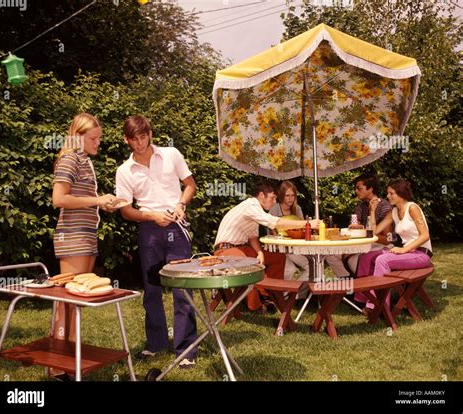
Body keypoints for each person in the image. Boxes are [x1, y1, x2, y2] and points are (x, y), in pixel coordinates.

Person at [115, 115, 198, 369]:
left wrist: (181, 204)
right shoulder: (124, 171)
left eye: (143, 136)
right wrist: (151, 215)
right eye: (134, 139)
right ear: (126, 140)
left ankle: (186, 350)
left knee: (182, 287)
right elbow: (125, 210)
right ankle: (156, 343)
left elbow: (190, 185)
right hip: (149, 229)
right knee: (151, 289)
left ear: (150, 133)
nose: (139, 143)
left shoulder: (171, 154)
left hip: (176, 226)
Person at [52, 113, 119, 378]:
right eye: (94, 138)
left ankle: (69, 361)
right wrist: (97, 200)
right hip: (73, 236)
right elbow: (59, 199)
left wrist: (104, 203)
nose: (98, 142)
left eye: (99, 138)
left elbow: (85, 199)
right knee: (66, 300)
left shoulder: (83, 161)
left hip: (86, 234)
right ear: (78, 137)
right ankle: (57, 365)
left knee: (77, 299)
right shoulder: (69, 159)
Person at [214, 181, 319, 311]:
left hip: (241, 248)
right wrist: (307, 224)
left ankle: (272, 295)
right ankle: (255, 305)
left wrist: (260, 252)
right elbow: (274, 222)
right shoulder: (250, 206)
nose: (275, 202)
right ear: (261, 195)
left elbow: (252, 237)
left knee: (278, 258)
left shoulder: (255, 209)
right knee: (250, 266)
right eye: (272, 198)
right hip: (225, 250)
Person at [355, 179, 433, 312]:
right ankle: (362, 299)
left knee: (382, 260)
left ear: (401, 194)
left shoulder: (412, 208)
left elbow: (425, 235)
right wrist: (372, 211)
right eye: (387, 193)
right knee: (366, 257)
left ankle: (379, 305)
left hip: (421, 254)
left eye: (391, 193)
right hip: (408, 253)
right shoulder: (395, 212)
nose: (388, 196)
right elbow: (374, 231)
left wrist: (403, 250)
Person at [341, 173, 394, 276]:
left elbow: (387, 240)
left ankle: (364, 285)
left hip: (382, 245)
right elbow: (356, 228)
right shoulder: (361, 207)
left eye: (359, 188)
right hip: (366, 244)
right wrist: (357, 228)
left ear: (370, 189)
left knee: (353, 258)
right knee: (336, 255)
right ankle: (351, 283)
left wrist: (364, 232)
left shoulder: (384, 207)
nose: (356, 191)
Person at [269, 181, 311, 298]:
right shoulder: (275, 209)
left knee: (312, 267)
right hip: (279, 248)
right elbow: (271, 228)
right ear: (282, 195)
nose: (290, 198)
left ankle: (296, 295)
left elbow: (302, 226)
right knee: (290, 270)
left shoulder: (297, 209)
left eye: (292, 195)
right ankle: (284, 296)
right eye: (287, 195)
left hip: (294, 248)